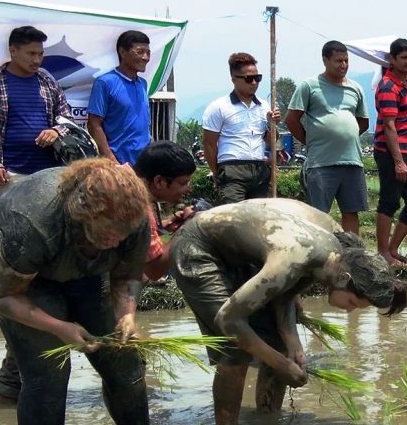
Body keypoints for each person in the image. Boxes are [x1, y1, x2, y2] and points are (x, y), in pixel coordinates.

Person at [169, 199, 407, 425]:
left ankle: (267, 423)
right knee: (234, 351)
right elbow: (228, 318)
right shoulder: (295, 258)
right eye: (353, 303)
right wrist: (281, 365)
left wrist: (293, 347)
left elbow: (283, 296)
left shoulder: (332, 260)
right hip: (199, 248)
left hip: (239, 253)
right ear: (345, 278)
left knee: (276, 341)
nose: (348, 311)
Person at [0, 159, 153, 425]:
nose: (117, 240)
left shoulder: (132, 222)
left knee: (124, 362)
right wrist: (60, 327)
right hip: (18, 279)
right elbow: (5, 295)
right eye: (110, 231)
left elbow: (126, 276)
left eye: (123, 234)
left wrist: (127, 315)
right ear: (83, 215)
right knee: (49, 372)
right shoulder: (35, 223)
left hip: (86, 270)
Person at [0, 25, 73, 196]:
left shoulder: (48, 82)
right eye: (31, 54)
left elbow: (67, 118)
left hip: (51, 173)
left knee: (49, 222)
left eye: (40, 54)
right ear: (13, 51)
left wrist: (55, 131)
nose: (37, 60)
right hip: (11, 174)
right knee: (11, 222)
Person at [287, 41, 369, 234]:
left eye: (346, 61)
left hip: (352, 161)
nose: (343, 65)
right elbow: (291, 120)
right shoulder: (309, 86)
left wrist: (344, 136)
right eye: (338, 61)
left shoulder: (355, 88)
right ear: (325, 60)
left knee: (351, 211)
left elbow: (363, 122)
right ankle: (320, 255)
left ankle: (352, 254)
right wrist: (311, 141)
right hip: (321, 163)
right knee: (318, 214)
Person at [202, 52, 279, 205]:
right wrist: (218, 173)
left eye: (257, 78)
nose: (254, 83)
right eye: (248, 79)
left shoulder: (264, 106)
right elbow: (209, 144)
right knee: (233, 219)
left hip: (259, 168)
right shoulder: (219, 107)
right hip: (232, 169)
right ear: (234, 79)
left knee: (259, 218)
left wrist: (272, 124)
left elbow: (271, 141)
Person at [373, 38, 407, 266]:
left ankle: (392, 249)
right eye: (404, 58)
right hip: (392, 153)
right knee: (389, 201)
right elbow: (389, 126)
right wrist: (399, 161)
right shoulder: (388, 86)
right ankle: (383, 251)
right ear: (392, 59)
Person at [135, 141, 199, 280]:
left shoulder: (128, 181)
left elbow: (137, 235)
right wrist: (188, 227)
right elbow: (155, 270)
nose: (188, 189)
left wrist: (167, 224)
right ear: (159, 182)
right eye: (183, 183)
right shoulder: (137, 204)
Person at [87, 31, 151, 165]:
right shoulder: (105, 82)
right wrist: (111, 160)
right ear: (122, 52)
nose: (145, 57)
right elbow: (94, 124)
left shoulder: (143, 84)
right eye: (140, 52)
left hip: (144, 164)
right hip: (118, 165)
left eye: (148, 52)